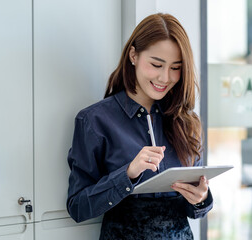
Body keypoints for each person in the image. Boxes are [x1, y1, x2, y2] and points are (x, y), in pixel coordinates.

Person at [66, 13, 213, 240]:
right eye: (156, 64)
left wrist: (201, 198)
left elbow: (196, 211)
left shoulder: (186, 121)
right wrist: (128, 174)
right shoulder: (94, 120)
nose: (165, 77)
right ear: (133, 55)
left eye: (176, 67)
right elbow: (78, 207)